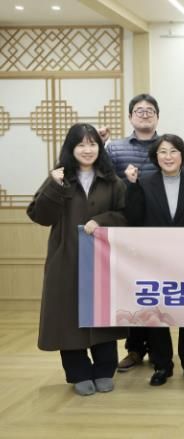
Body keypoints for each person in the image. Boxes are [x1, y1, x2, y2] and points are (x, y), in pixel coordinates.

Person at [27, 123, 127, 396]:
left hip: (103, 262)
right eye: (80, 144)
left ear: (99, 148)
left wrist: (102, 220)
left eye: (92, 144)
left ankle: (104, 370)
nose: (87, 150)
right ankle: (79, 372)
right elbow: (40, 216)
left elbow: (125, 215)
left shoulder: (112, 181)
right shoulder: (59, 178)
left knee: (102, 315)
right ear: (71, 149)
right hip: (66, 259)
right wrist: (54, 185)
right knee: (67, 317)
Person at [123, 134, 184, 386]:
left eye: (173, 151)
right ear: (155, 157)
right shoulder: (144, 183)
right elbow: (134, 219)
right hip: (154, 260)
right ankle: (162, 365)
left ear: (182, 155)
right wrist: (131, 186)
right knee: (156, 314)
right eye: (162, 152)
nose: (168, 157)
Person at [106, 93, 161, 372]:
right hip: (127, 229)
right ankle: (135, 349)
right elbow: (103, 179)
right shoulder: (115, 148)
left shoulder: (166, 146)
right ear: (130, 117)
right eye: (139, 110)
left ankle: (159, 350)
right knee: (133, 290)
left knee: (157, 291)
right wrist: (125, 181)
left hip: (159, 230)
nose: (144, 113)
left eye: (150, 110)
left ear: (157, 117)